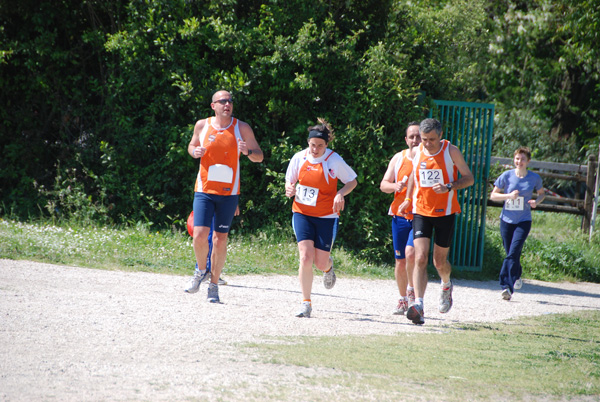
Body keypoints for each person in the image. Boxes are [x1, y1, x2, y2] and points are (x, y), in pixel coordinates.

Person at [184, 90, 263, 302]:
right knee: (199, 235)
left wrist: (247, 152)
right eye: (223, 101)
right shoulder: (202, 125)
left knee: (220, 241)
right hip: (204, 190)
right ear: (213, 106)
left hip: (229, 194)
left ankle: (214, 285)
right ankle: (201, 271)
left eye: (230, 101)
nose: (227, 104)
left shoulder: (242, 128)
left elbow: (259, 156)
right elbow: (192, 146)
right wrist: (194, 152)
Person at [399, 118, 474, 325]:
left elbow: (469, 178)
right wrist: (407, 199)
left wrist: (449, 186)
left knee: (439, 262)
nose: (427, 144)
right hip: (421, 211)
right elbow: (414, 176)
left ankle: (446, 284)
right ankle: (419, 305)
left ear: (440, 135)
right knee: (420, 257)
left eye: (432, 139)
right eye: (424, 140)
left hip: (445, 212)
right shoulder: (418, 151)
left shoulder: (451, 151)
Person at [285, 118, 357, 318]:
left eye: (320, 146)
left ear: (326, 145)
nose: (315, 149)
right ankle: (305, 303)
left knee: (319, 262)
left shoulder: (333, 161)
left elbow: (352, 181)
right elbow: (289, 183)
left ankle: (328, 267)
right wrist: (289, 189)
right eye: (312, 145)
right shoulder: (299, 158)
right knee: (306, 257)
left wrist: (340, 193)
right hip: (302, 213)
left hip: (327, 216)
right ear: (308, 143)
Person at [490, 146, 545, 300]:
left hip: (524, 220)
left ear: (528, 161)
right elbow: (493, 196)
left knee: (513, 252)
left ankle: (506, 286)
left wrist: (536, 201)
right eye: (517, 158)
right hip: (506, 219)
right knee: (511, 253)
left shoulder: (534, 178)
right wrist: (508, 196)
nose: (519, 161)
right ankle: (517, 274)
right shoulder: (506, 176)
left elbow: (542, 194)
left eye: (522, 159)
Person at [380, 121, 421, 315]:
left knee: (411, 253)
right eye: (411, 136)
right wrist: (396, 186)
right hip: (399, 215)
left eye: (418, 136)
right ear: (406, 139)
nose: (415, 140)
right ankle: (403, 299)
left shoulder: (429, 160)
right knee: (400, 260)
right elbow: (383, 185)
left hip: (421, 215)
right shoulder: (399, 158)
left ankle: (412, 291)